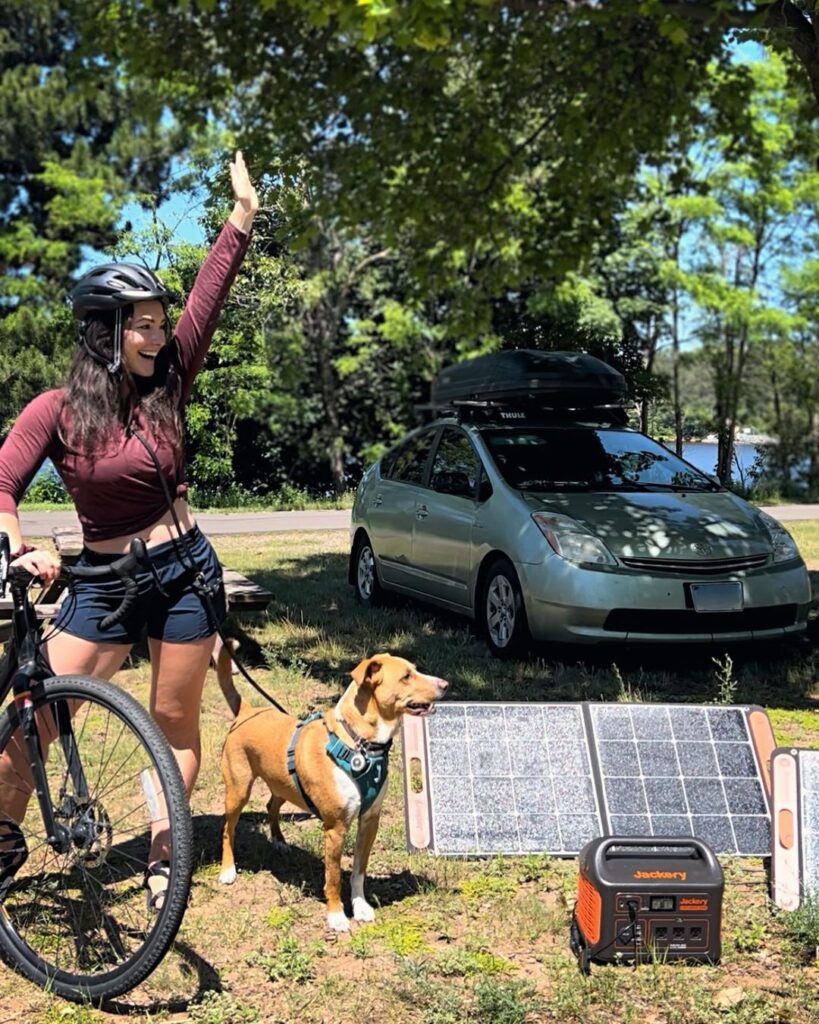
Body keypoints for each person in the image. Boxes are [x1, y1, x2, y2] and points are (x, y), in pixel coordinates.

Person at [0, 151, 258, 909]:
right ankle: (5, 842)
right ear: (103, 333)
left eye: (156, 326)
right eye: (141, 327)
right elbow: (3, 478)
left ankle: (162, 855)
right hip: (104, 585)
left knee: (174, 719)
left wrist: (240, 216)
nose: (156, 338)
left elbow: (207, 299)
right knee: (31, 722)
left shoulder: (170, 381)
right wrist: (13, 538)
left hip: (185, 571)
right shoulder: (56, 409)